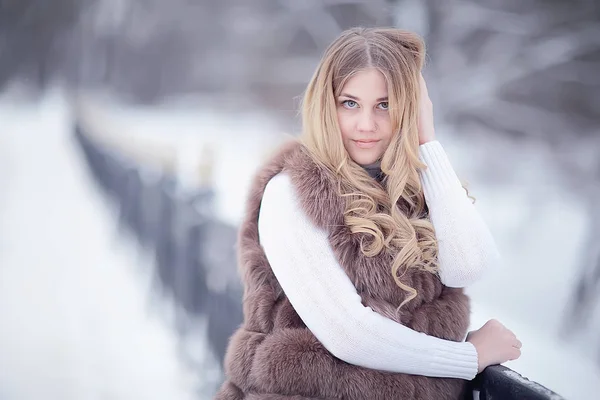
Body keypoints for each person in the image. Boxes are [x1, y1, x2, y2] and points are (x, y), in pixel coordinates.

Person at [215, 27, 522, 400]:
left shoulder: (414, 190)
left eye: (385, 104)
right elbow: (349, 333)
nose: (366, 125)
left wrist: (426, 140)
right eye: (350, 103)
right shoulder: (292, 192)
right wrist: (468, 358)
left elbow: (469, 266)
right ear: (325, 104)